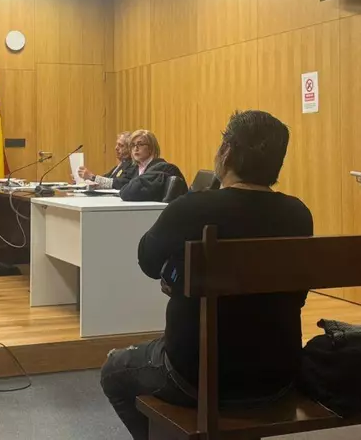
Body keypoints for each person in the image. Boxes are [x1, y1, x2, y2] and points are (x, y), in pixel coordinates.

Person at [100, 111, 314, 440]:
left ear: (226, 152)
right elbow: (298, 294)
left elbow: (148, 261)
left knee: (114, 370)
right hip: (278, 374)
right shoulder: (298, 214)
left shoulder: (191, 208)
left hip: (194, 375)